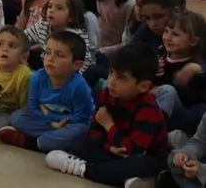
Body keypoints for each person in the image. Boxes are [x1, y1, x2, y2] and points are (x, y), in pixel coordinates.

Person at [45, 44, 168, 187]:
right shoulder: (107, 94)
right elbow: (95, 130)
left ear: (143, 86)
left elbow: (133, 150)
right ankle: (125, 179)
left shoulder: (148, 109)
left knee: (139, 164)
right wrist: (109, 147)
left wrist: (109, 126)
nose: (111, 81)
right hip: (114, 149)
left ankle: (84, 169)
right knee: (79, 143)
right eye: (111, 73)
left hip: (144, 156)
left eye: (121, 78)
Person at [0, 31, 94, 153]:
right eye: (47, 52)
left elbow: (82, 118)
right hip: (46, 122)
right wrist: (52, 123)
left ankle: (31, 142)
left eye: (59, 55)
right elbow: (33, 108)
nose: (50, 59)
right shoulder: (37, 78)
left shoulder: (80, 87)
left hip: (68, 125)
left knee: (81, 130)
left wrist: (54, 119)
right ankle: (53, 142)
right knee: (17, 117)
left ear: (76, 65)